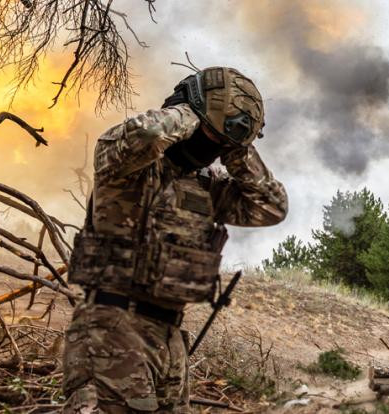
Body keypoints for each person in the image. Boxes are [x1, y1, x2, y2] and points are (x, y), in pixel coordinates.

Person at [62, 66, 288, 413]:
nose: (216, 147)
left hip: (169, 340)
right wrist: (193, 111)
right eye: (213, 135)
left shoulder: (205, 185)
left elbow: (272, 207)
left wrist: (239, 150)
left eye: (224, 142)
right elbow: (150, 133)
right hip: (111, 331)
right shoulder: (125, 164)